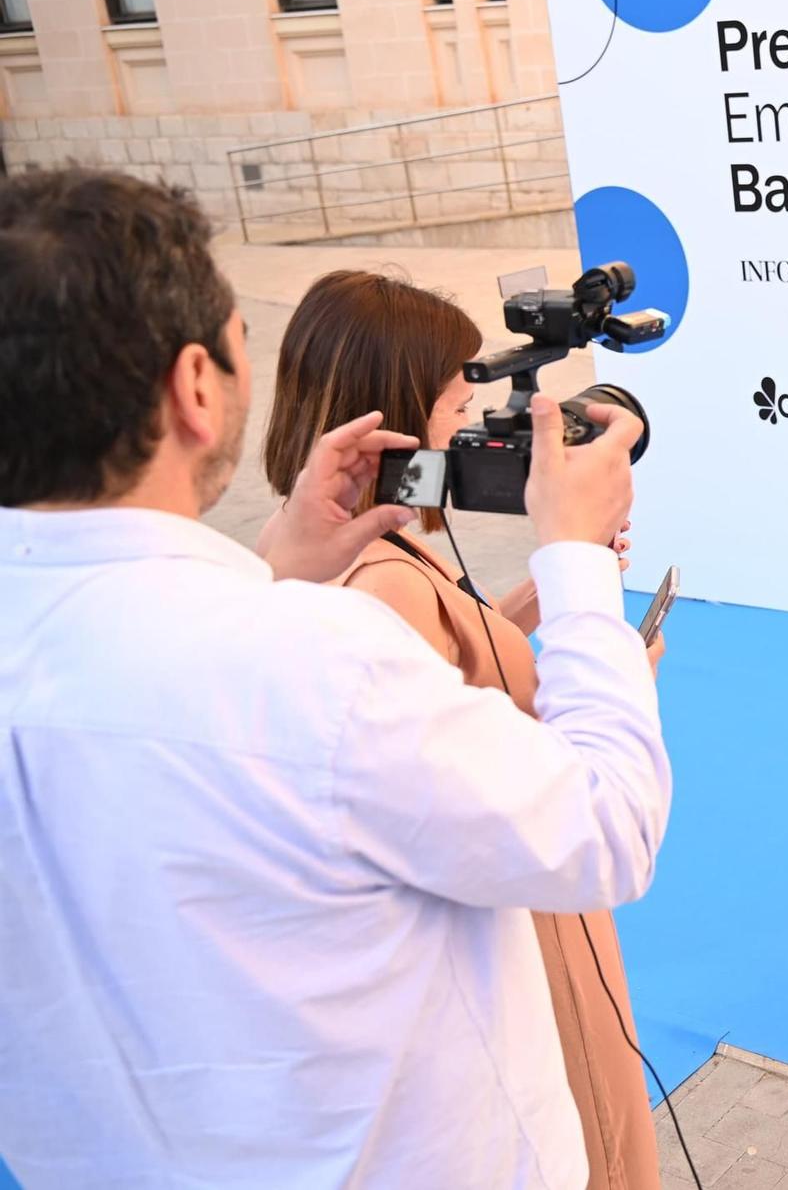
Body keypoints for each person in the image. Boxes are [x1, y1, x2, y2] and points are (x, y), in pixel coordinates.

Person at [0, 169, 667, 1188]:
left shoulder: (274, 632)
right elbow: (606, 830)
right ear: (193, 386)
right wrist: (575, 566)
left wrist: (282, 565)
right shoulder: (321, 665)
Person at [260, 270, 659, 1190]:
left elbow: (452, 676)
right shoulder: (381, 580)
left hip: (511, 901)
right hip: (521, 911)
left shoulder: (362, 549)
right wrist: (592, 630)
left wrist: (531, 610)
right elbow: (524, 795)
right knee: (594, 1131)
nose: (472, 431)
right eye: (454, 406)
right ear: (398, 413)